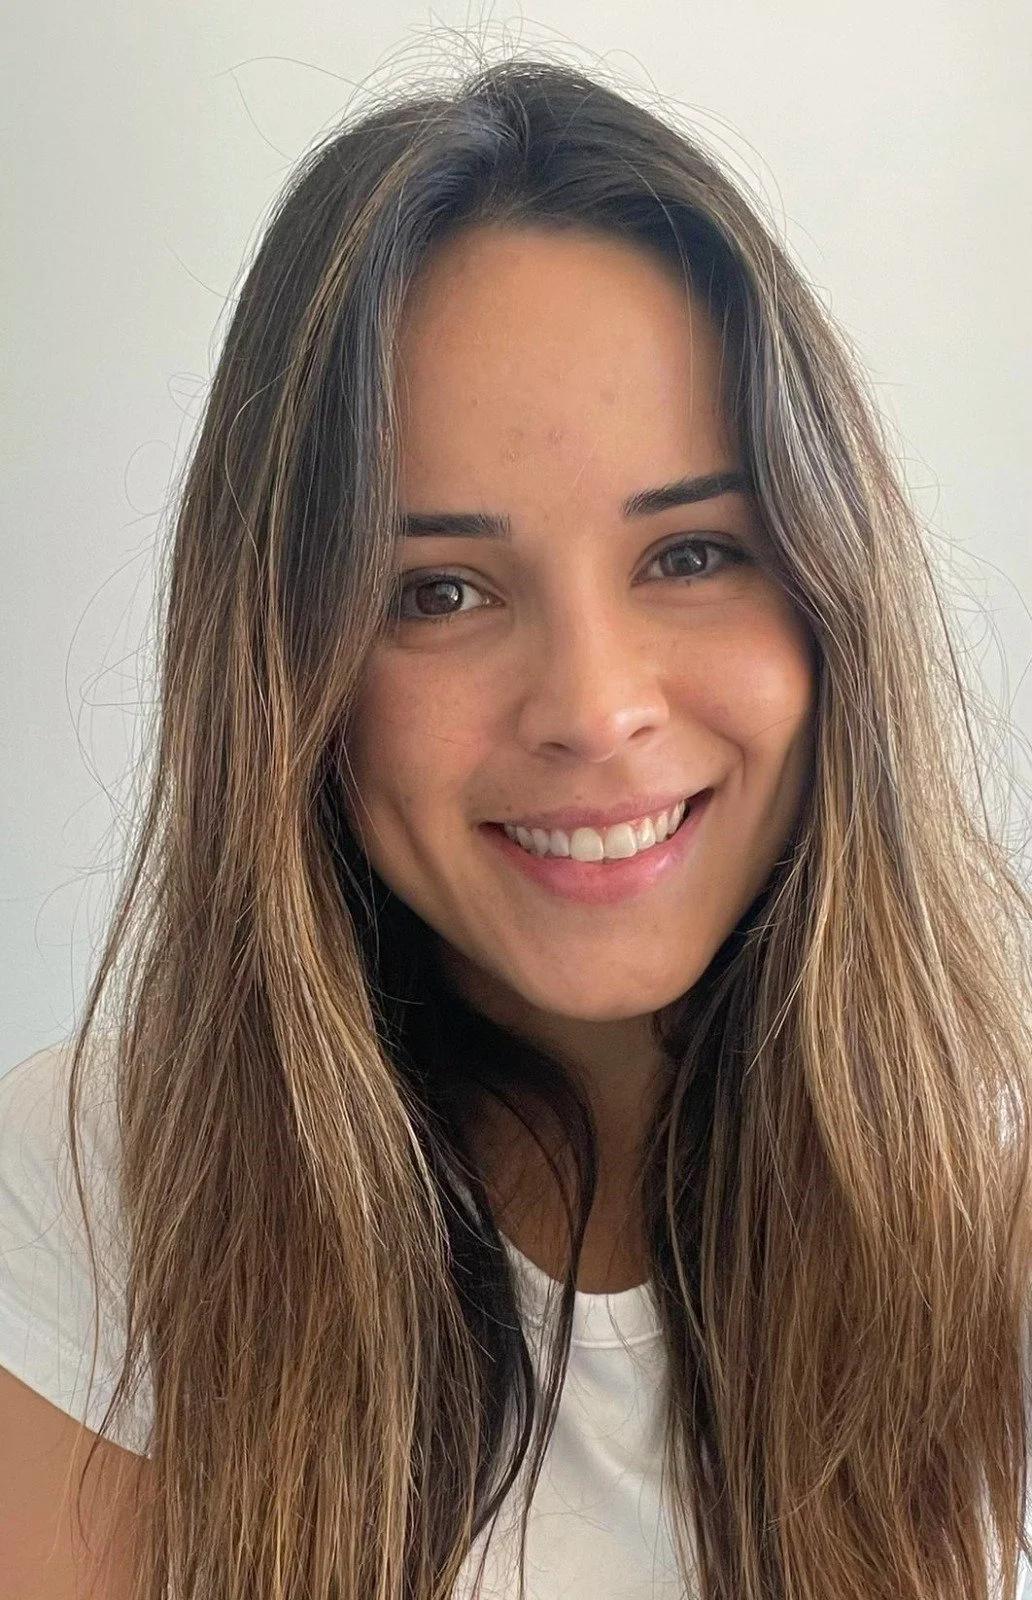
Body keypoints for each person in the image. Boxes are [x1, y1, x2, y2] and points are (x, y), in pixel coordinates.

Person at [2, 53, 1031, 1600]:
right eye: (440, 591)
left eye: (691, 553)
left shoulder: (995, 1176)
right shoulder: (97, 1192)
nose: (595, 708)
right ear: (290, 670)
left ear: (833, 587)